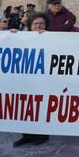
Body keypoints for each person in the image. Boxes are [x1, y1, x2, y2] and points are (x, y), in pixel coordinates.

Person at [11, 12, 50, 147]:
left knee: (41, 106)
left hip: (44, 79)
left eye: (42, 23)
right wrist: (10, 35)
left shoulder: (52, 37)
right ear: (30, 25)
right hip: (25, 79)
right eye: (35, 24)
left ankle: (41, 135)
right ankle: (26, 135)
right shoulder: (23, 37)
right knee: (24, 106)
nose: (39, 26)